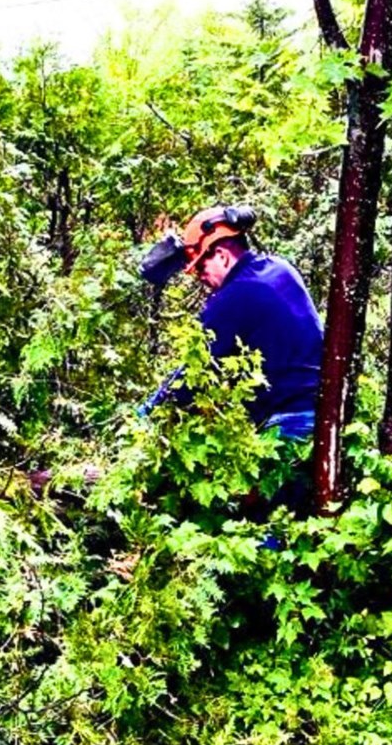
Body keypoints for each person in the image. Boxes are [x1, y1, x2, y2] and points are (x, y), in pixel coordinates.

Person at [137, 205, 325, 528]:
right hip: (321, 418)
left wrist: (145, 418)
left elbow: (192, 375)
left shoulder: (236, 296)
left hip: (291, 426)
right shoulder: (280, 269)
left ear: (222, 255)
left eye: (201, 268)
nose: (201, 279)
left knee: (264, 529)